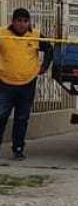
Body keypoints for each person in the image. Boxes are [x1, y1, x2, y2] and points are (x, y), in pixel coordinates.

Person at [0, 8, 53, 160]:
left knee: (22, 118)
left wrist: (44, 67)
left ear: (29, 22)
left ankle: (18, 149)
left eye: (25, 21)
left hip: (27, 84)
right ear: (13, 21)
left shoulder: (35, 36)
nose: (22, 24)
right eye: (19, 21)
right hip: (5, 84)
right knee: (1, 116)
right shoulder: (3, 34)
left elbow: (49, 49)